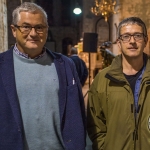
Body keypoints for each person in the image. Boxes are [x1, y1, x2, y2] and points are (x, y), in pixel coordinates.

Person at [0, 2, 86, 150]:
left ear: (46, 31)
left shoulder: (65, 65)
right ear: (14, 30)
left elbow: (77, 111)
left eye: (39, 27)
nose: (33, 33)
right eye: (26, 27)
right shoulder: (2, 66)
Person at [87, 17, 150, 150]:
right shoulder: (103, 79)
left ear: (146, 40)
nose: (132, 41)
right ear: (119, 42)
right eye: (126, 36)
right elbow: (95, 124)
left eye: (137, 36)